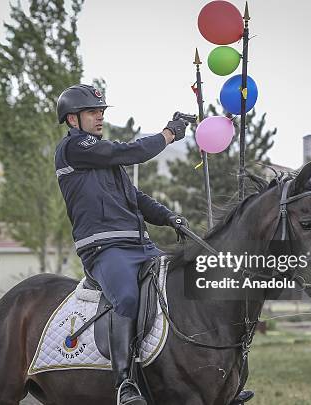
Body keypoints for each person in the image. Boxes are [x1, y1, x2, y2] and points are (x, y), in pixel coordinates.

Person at [54, 84, 188, 405]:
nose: (100, 117)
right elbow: (129, 151)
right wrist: (168, 134)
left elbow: (136, 198)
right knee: (126, 296)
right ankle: (124, 382)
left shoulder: (103, 158)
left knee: (180, 288)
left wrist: (170, 217)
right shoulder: (76, 148)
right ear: (73, 120)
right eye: (92, 112)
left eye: (101, 112)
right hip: (103, 249)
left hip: (139, 244)